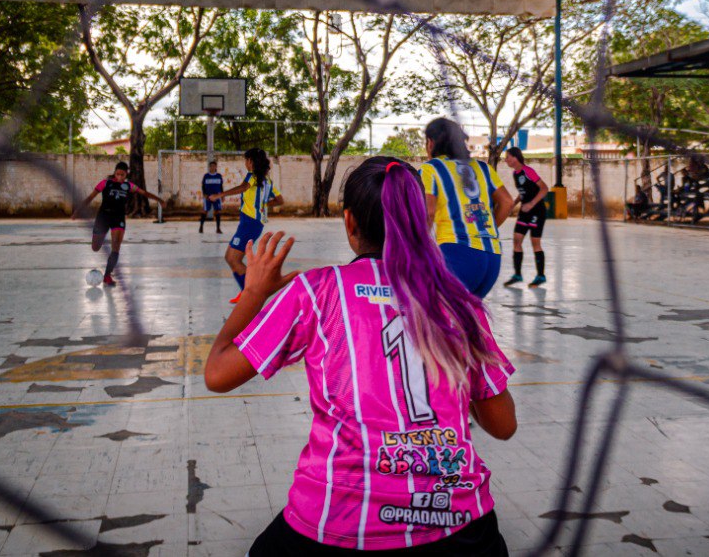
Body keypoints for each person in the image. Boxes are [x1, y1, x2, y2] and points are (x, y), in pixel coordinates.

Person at [204, 157, 516, 556]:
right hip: (460, 525)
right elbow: (503, 425)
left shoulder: (317, 291)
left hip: (338, 519)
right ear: (424, 222)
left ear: (349, 223)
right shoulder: (459, 302)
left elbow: (217, 374)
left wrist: (252, 293)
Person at [419, 118, 515, 298]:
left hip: (457, 254)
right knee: (468, 313)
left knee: (435, 308)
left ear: (430, 143)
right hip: (492, 257)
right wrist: (485, 229)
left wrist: (417, 247)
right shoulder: (483, 168)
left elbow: (428, 212)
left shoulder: (430, 169)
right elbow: (507, 202)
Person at [209, 147, 281, 304]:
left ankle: (252, 293)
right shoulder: (267, 181)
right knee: (230, 258)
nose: (245, 163)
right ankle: (246, 292)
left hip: (250, 223)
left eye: (246, 160)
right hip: (253, 224)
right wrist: (262, 204)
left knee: (233, 259)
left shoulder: (252, 176)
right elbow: (279, 200)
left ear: (251, 161)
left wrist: (220, 195)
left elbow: (243, 187)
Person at [73, 162, 164, 286]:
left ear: (126, 174)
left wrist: (159, 200)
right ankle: (101, 237)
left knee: (116, 246)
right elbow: (90, 197)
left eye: (122, 174)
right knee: (95, 247)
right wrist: (78, 210)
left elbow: (145, 193)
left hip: (118, 218)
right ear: (114, 173)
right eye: (118, 174)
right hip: (103, 217)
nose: (120, 177)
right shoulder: (105, 183)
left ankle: (107, 275)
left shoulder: (129, 186)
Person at [501, 147, 549, 288]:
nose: (506, 160)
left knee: (535, 242)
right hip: (524, 212)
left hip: (537, 211)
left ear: (515, 157)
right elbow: (523, 192)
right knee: (517, 240)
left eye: (508, 157)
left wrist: (531, 204)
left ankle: (540, 276)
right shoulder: (515, 174)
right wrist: (513, 204)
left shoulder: (528, 171)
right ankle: (517, 275)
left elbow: (544, 188)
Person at [199, 160, 224, 234]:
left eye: (214, 166)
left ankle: (218, 228)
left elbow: (221, 186)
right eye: (211, 166)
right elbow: (203, 186)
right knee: (205, 211)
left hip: (217, 196)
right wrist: (204, 194)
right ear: (209, 167)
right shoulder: (206, 176)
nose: (212, 167)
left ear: (216, 167)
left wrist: (222, 195)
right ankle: (201, 227)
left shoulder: (219, 176)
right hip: (208, 196)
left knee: (218, 211)